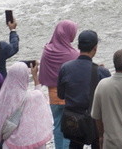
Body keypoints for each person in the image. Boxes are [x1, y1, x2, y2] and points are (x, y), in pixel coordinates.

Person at [58, 30, 111, 149]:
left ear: (78, 47)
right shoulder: (101, 72)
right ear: (95, 48)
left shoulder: (65, 68)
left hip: (72, 122)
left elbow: (61, 95)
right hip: (94, 123)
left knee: (74, 145)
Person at [39, 20, 79, 149]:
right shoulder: (73, 54)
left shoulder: (47, 51)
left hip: (53, 96)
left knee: (57, 126)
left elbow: (42, 76)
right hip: (69, 97)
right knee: (70, 128)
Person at [0, 61, 53, 149]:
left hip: (11, 142)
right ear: (25, 76)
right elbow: (41, 95)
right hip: (34, 141)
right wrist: (35, 76)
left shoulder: (4, 96)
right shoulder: (34, 97)